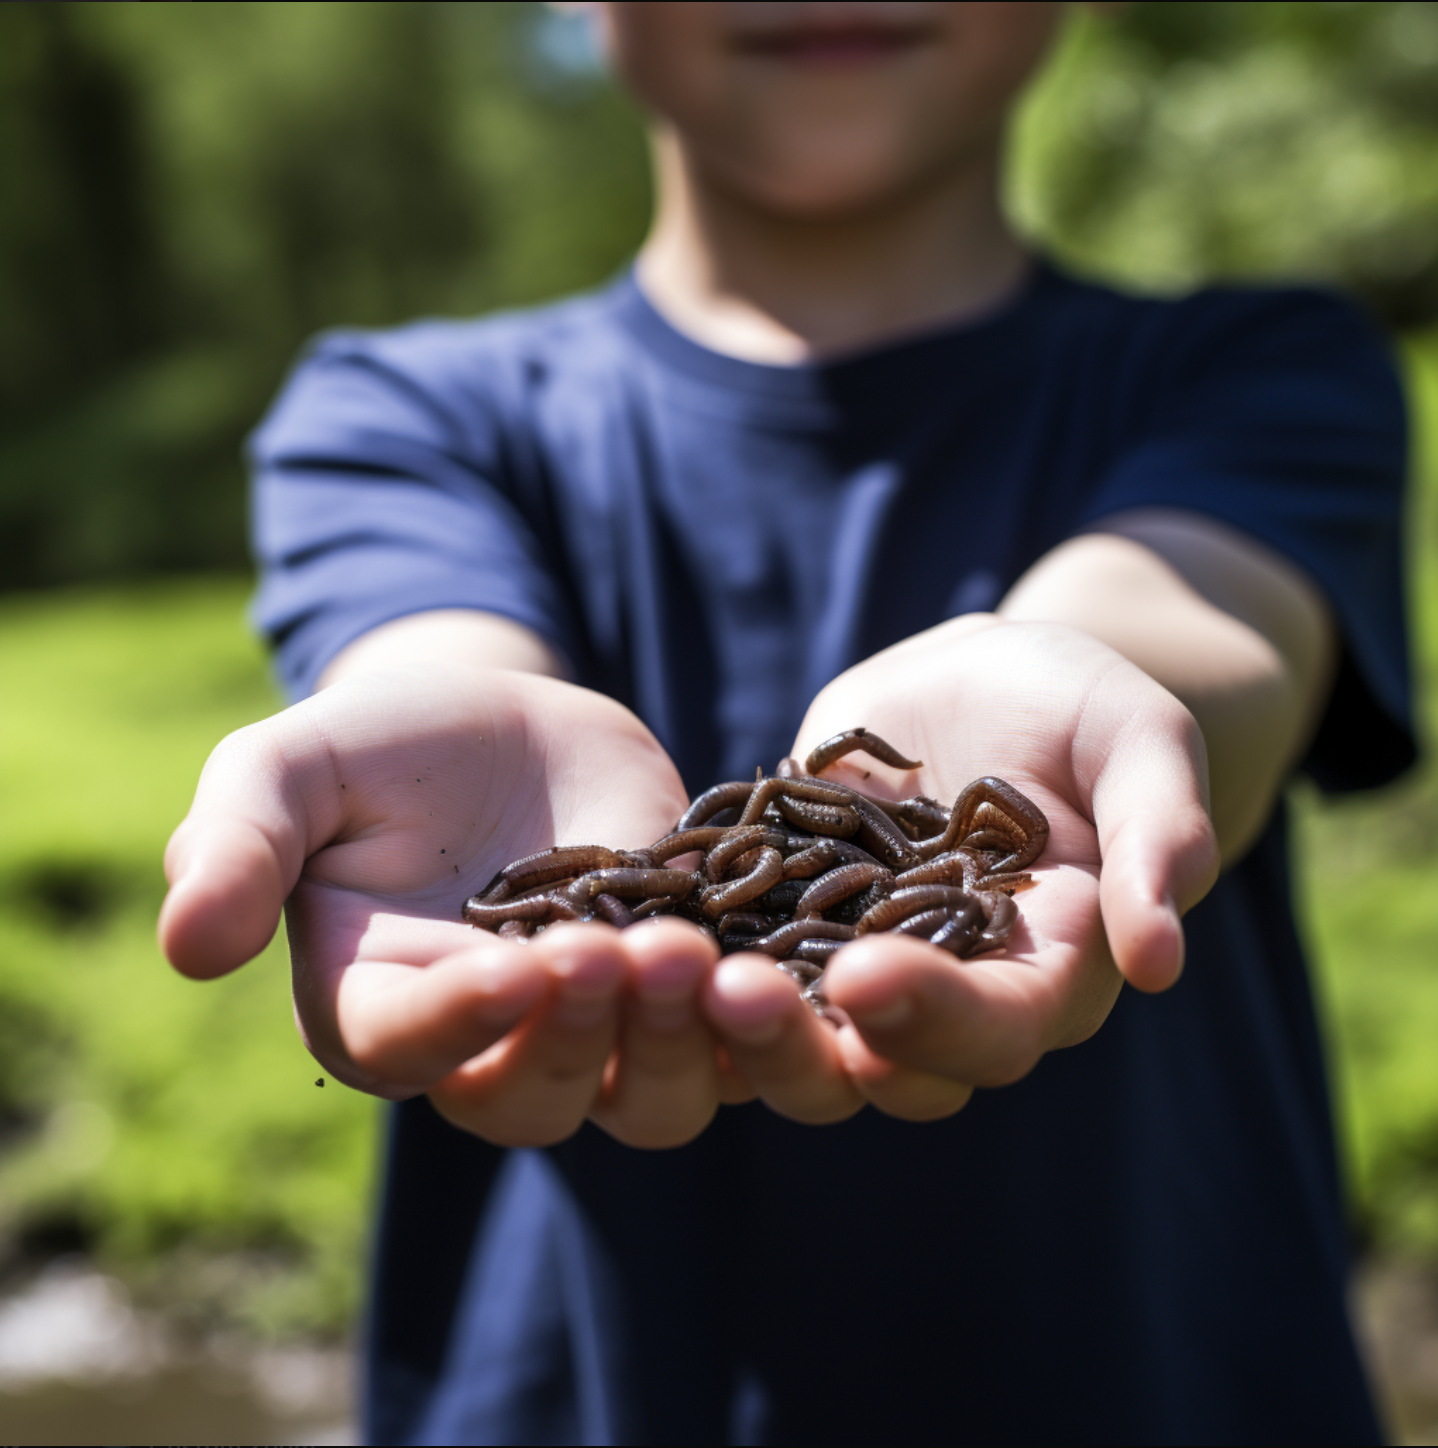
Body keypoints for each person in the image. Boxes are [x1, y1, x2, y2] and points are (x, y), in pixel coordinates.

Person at [158, 3, 1413, 1442]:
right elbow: (425, 643)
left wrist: (1081, 676)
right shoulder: (393, 410)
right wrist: (429, 716)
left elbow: (1184, 617)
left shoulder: (1259, 366)